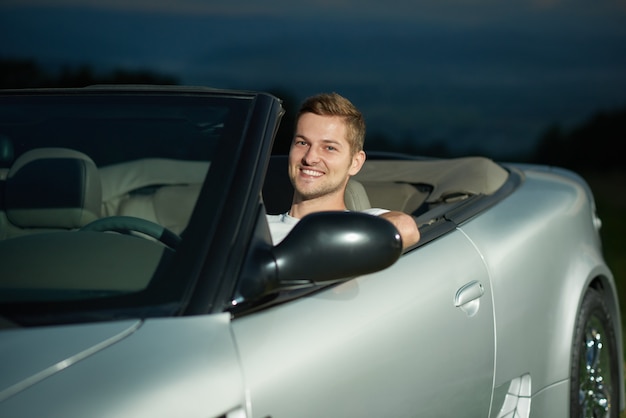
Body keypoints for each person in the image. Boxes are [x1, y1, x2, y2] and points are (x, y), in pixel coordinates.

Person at [267, 92, 420, 250]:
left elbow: (406, 228)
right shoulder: (256, 227)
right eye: (302, 143)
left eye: (329, 148)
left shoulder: (364, 222)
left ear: (355, 162)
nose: (310, 158)